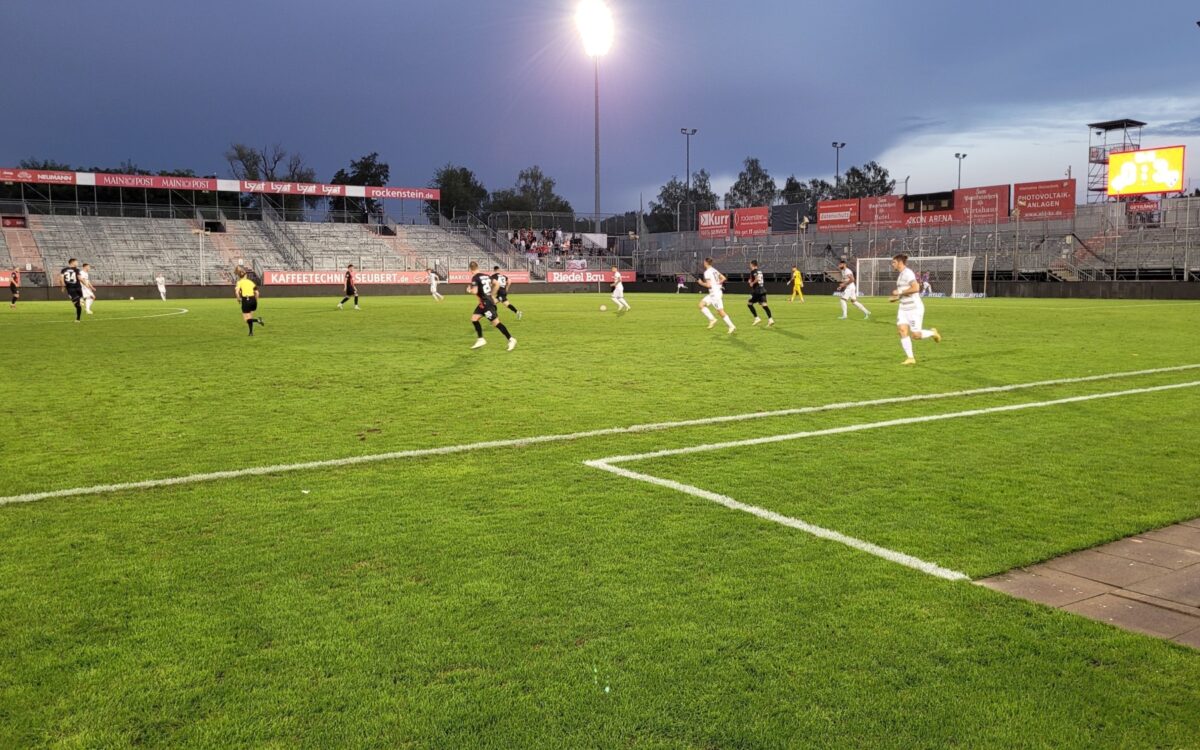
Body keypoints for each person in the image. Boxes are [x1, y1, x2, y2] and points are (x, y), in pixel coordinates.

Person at [889, 254, 941, 365]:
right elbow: (904, 291)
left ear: (900, 262)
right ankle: (910, 358)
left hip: (914, 308)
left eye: (893, 262)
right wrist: (897, 298)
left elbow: (916, 288)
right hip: (903, 307)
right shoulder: (900, 275)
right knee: (902, 330)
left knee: (916, 335)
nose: (892, 264)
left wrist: (899, 292)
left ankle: (932, 333)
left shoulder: (908, 273)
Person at [468, 261, 516, 350]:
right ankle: (481, 339)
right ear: (478, 267)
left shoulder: (475, 277)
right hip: (484, 303)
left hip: (487, 304)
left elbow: (474, 291)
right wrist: (492, 295)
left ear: (470, 270)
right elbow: (497, 284)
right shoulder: (486, 275)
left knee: (496, 323)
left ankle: (511, 339)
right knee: (474, 319)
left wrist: (469, 290)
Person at [698, 257, 736, 333]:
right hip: (715, 293)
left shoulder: (707, 272)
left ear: (706, 262)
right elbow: (724, 278)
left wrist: (701, 283)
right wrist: (718, 283)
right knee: (701, 305)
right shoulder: (714, 270)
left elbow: (709, 285)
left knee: (720, 312)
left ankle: (731, 326)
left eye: (704, 262)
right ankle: (712, 319)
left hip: (715, 294)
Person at [235, 267, 265, 336]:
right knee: (250, 317)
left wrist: (238, 299)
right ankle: (251, 332)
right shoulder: (251, 282)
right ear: (245, 275)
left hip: (246, 300)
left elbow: (237, 292)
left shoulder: (239, 282)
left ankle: (258, 320)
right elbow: (257, 293)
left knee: (246, 319)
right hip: (253, 300)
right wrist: (255, 301)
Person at [747, 260, 774, 327]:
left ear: (752, 265)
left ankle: (757, 318)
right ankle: (770, 319)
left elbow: (756, 279)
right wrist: (751, 280)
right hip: (762, 289)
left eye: (750, 264)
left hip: (757, 291)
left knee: (749, 304)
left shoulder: (753, 271)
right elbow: (758, 278)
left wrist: (752, 283)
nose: (749, 266)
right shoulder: (760, 271)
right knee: (764, 305)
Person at [59, 258, 84, 322]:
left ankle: (78, 319)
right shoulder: (77, 270)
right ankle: (78, 319)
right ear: (72, 262)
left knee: (77, 304)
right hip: (78, 288)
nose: (77, 263)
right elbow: (80, 278)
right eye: (76, 262)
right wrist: (86, 284)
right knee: (77, 305)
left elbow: (61, 279)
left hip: (71, 289)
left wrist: (62, 286)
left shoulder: (64, 270)